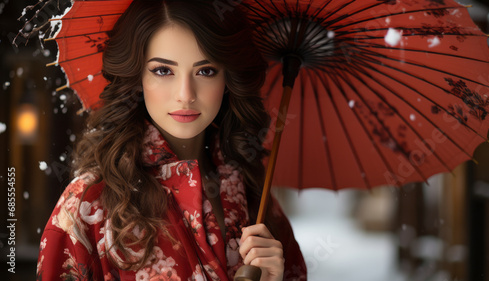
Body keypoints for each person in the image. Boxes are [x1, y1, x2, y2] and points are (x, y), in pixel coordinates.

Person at [36, 0, 307, 280]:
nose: (185, 94)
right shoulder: (88, 202)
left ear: (228, 79)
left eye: (206, 70)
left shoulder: (255, 196)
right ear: (137, 75)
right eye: (163, 70)